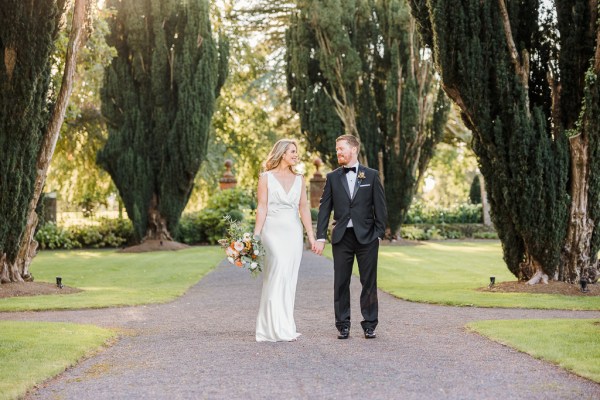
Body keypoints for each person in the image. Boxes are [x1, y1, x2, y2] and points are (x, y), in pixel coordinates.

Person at [312, 134, 388, 339]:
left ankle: (370, 324)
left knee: (369, 282)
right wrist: (320, 236)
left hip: (367, 238)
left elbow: (380, 207)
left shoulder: (371, 176)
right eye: (337, 149)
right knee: (341, 282)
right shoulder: (332, 177)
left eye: (341, 149)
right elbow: (324, 209)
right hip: (342, 237)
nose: (338, 152)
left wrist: (379, 234)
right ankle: (343, 325)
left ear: (353, 149)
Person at [254, 139, 316, 342]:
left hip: (293, 232)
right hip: (272, 230)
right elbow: (262, 207)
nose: (296, 155)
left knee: (289, 278)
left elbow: (304, 207)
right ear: (282, 154)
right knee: (277, 271)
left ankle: (285, 325)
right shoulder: (265, 178)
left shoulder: (300, 179)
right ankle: (269, 327)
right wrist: (256, 234)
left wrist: (311, 235)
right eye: (292, 151)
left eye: (296, 152)